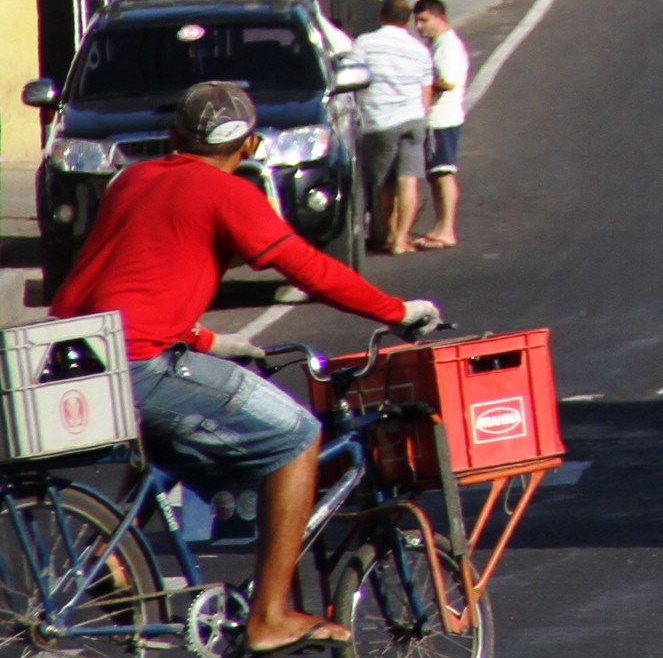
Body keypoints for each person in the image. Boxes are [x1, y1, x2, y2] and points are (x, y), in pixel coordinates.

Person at [56, 79, 435, 654]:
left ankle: (111, 557)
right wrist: (395, 310)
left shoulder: (132, 179)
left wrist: (209, 339)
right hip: (141, 362)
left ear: (174, 135)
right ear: (252, 145)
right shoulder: (225, 193)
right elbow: (307, 267)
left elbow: (130, 281)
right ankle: (270, 616)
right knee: (296, 436)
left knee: (170, 441)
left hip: (80, 354)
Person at [352, 0, 438, 256]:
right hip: (413, 118)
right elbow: (426, 90)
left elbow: (355, 76)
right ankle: (402, 239)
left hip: (380, 121)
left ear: (381, 16)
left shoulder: (364, 43)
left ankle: (389, 233)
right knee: (409, 180)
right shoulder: (419, 49)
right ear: (408, 21)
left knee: (384, 183)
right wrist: (423, 118)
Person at [412, 0, 468, 250]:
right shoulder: (437, 45)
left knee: (444, 172)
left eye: (424, 20)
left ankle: (447, 229)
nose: (419, 26)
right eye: (417, 20)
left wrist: (423, 83)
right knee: (435, 174)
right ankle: (440, 226)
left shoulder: (447, 47)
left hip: (442, 118)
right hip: (437, 118)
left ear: (440, 18)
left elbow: (448, 81)